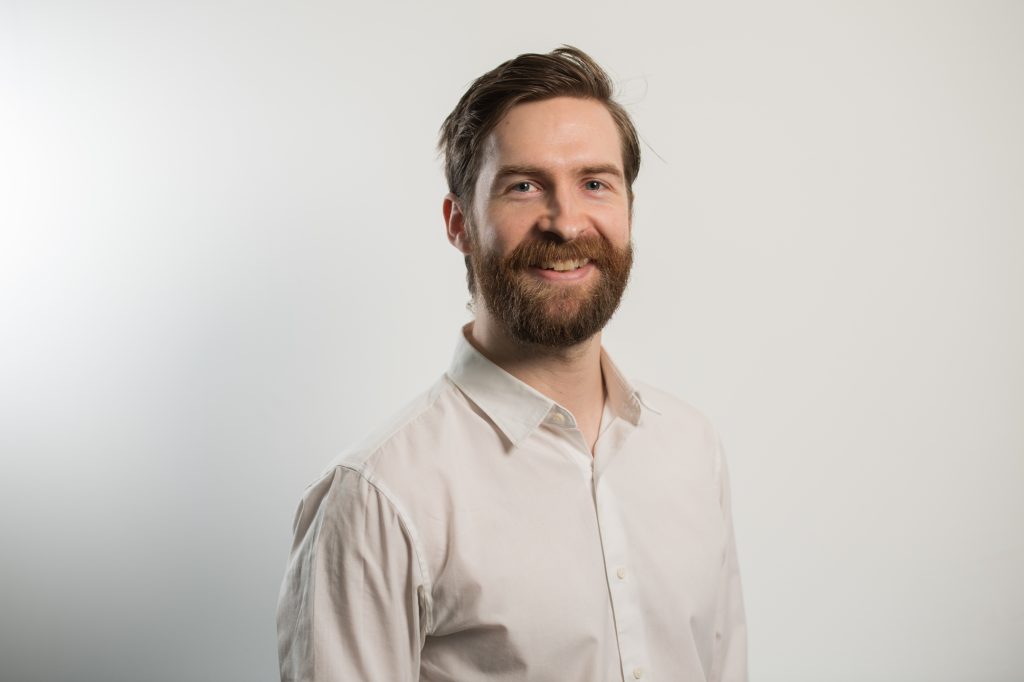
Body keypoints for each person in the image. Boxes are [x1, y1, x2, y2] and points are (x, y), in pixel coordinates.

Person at [276, 46, 747, 682]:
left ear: (629, 210)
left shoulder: (692, 446)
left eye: (595, 183)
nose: (567, 223)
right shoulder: (380, 496)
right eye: (524, 186)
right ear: (459, 223)